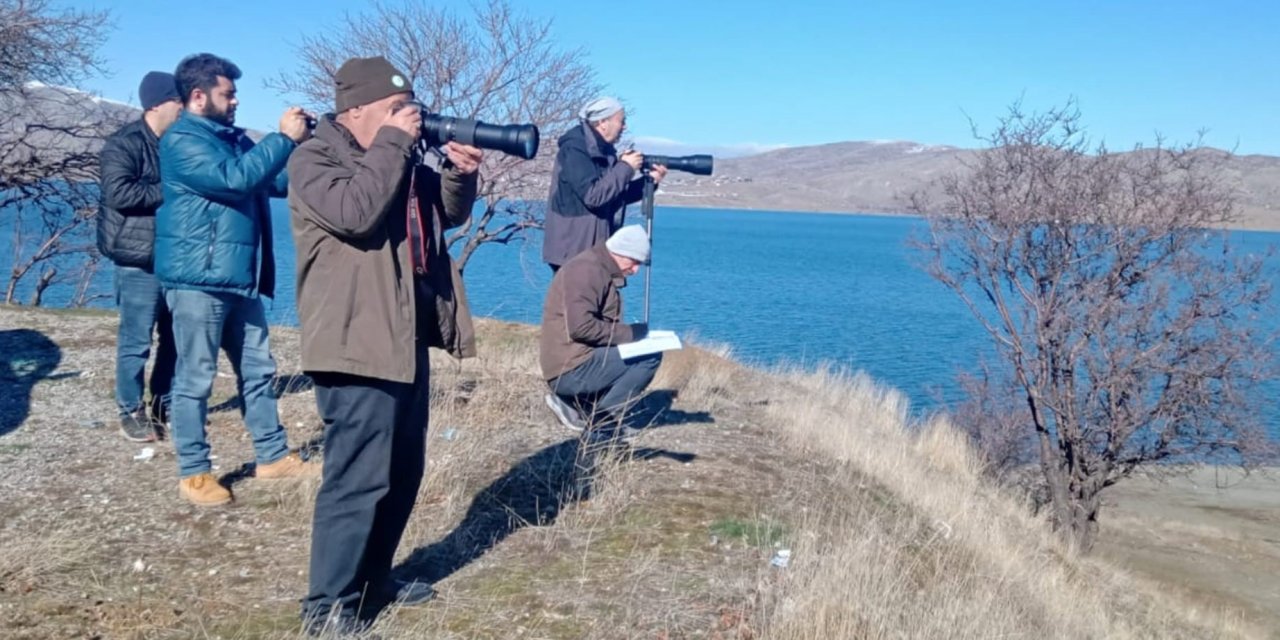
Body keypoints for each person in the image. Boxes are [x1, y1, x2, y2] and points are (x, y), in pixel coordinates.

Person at [286, 56, 482, 633]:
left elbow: (445, 214)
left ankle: (372, 583)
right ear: (356, 111)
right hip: (353, 339)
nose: (409, 117)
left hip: (404, 335)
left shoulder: (396, 155)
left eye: (410, 107)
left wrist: (459, 174)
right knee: (357, 479)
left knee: (402, 470)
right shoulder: (313, 158)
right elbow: (356, 213)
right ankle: (326, 609)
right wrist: (396, 141)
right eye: (395, 109)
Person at [154, 53, 313, 507]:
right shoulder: (182, 140)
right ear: (199, 97)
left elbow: (276, 182)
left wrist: (305, 145)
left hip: (236, 278)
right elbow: (235, 180)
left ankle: (272, 457)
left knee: (259, 371)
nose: (237, 100)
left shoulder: (231, 138)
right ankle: (194, 472)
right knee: (196, 377)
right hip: (197, 280)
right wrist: (282, 138)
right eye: (228, 93)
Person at [97, 71, 183, 442]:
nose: (184, 108)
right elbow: (120, 194)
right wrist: (174, 189)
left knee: (175, 337)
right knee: (136, 340)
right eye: (178, 101)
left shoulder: (179, 143)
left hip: (175, 255)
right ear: (157, 104)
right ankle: (130, 409)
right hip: (136, 258)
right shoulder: (123, 144)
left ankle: (163, 403)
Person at [540, 225, 662, 438]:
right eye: (634, 262)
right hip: (570, 369)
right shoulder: (586, 272)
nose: (635, 270)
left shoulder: (594, 267)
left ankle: (575, 404)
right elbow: (582, 327)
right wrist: (631, 334)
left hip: (571, 361)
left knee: (634, 352)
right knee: (649, 357)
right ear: (620, 253)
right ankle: (602, 423)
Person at [542, 97, 667, 273]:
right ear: (602, 122)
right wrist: (626, 167)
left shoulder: (603, 150)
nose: (624, 127)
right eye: (621, 121)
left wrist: (650, 182)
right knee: (577, 300)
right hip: (574, 251)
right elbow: (594, 196)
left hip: (593, 247)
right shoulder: (575, 149)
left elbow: (614, 194)